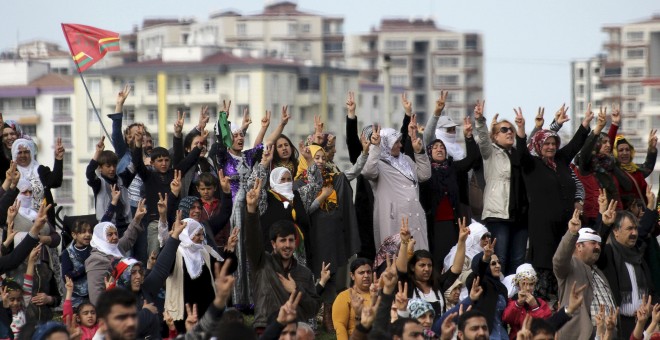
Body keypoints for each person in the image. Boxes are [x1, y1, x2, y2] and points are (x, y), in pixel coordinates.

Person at [517, 104, 592, 303]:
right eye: (546, 144)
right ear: (538, 146)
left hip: (566, 226)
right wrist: (522, 131)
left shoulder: (560, 160)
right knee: (546, 269)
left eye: (553, 143)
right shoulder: (531, 165)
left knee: (566, 265)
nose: (550, 147)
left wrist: (585, 124)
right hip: (542, 229)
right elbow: (521, 153)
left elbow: (575, 145)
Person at [244, 178, 321, 331]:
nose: (287, 245)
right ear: (273, 244)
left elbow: (313, 308)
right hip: (265, 328)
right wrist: (252, 210)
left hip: (294, 331)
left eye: (291, 241)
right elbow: (252, 241)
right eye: (282, 240)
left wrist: (296, 290)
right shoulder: (262, 263)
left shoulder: (304, 273)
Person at [473, 100, 527, 275]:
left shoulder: (519, 154)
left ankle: (516, 299)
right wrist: (480, 121)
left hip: (520, 215)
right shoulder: (491, 153)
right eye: (504, 130)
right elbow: (482, 140)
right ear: (495, 136)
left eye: (510, 129)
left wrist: (521, 128)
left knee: (518, 261)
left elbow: (530, 145)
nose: (509, 132)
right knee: (500, 259)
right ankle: (500, 298)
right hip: (498, 214)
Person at [421, 110, 480, 266]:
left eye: (442, 148)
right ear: (428, 152)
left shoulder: (452, 167)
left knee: (453, 260)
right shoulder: (425, 172)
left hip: (453, 223)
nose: (440, 149)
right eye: (436, 147)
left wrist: (468, 136)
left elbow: (472, 159)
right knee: (437, 260)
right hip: (433, 224)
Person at [361, 123, 431, 250]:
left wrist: (419, 152)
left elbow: (424, 175)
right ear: (385, 144)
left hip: (415, 217)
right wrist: (376, 147)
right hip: (394, 219)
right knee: (396, 259)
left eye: (399, 141)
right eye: (396, 142)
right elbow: (368, 172)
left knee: (419, 260)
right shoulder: (378, 163)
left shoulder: (407, 160)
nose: (400, 145)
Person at [553, 208, 615, 340]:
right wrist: (571, 233)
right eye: (593, 243)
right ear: (579, 246)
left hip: (607, 334)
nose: (598, 247)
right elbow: (559, 260)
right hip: (581, 335)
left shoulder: (599, 272)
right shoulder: (570, 266)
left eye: (599, 244)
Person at [596, 204, 657, 338]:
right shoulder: (608, 253)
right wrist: (605, 225)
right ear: (616, 231)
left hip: (644, 322)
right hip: (620, 324)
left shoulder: (639, 256)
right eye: (629, 229)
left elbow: (651, 289)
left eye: (635, 228)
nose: (634, 233)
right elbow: (596, 250)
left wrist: (652, 306)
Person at [396, 217, 469, 318]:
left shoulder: (438, 284)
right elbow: (401, 268)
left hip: (437, 333)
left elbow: (456, 269)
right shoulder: (408, 285)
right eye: (422, 265)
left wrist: (461, 241)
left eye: (429, 265)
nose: (426, 269)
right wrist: (404, 242)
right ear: (412, 267)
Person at [85, 199, 146, 305]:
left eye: (115, 233)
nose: (114, 237)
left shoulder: (115, 248)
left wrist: (136, 219)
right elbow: (96, 296)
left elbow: (128, 237)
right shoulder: (96, 260)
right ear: (101, 237)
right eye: (109, 234)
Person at [501, 264, 551, 340]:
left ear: (534, 285)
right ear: (518, 285)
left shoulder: (541, 303)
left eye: (531, 284)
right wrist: (518, 304)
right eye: (524, 284)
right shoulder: (512, 301)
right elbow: (507, 319)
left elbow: (545, 325)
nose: (527, 288)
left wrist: (535, 307)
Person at [332, 258, 372, 340]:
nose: (366, 276)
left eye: (369, 272)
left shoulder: (378, 294)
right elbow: (340, 326)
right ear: (352, 276)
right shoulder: (344, 296)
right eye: (361, 273)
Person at [60, 220, 92, 308]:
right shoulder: (68, 253)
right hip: (76, 297)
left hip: (93, 293)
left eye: (90, 231)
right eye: (83, 232)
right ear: (74, 235)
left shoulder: (93, 250)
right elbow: (66, 276)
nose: (87, 234)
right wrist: (85, 268)